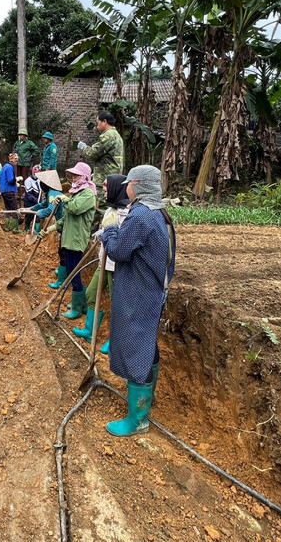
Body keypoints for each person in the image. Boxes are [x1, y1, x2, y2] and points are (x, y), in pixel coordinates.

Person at [99, 165, 176, 437]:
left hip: (138, 294)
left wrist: (108, 232)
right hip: (151, 291)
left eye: (130, 183)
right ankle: (146, 399)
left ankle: (138, 419)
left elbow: (119, 251)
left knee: (136, 349)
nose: (126, 187)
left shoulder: (141, 215)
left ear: (139, 185)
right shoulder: (160, 213)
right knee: (147, 345)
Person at [73, 174, 130, 348]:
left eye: (106, 188)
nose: (103, 192)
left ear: (116, 189)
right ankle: (90, 331)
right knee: (91, 294)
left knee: (117, 303)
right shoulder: (109, 210)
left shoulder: (126, 213)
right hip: (102, 263)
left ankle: (116, 341)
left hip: (115, 267)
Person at [39, 162, 96, 319]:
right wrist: (49, 229)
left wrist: (64, 198)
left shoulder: (88, 194)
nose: (73, 178)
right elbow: (65, 218)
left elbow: (74, 208)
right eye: (73, 175)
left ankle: (77, 308)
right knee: (72, 271)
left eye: (76, 175)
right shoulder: (77, 193)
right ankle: (81, 303)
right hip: (69, 238)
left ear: (84, 176)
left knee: (73, 273)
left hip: (76, 239)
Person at [77, 111, 124, 207]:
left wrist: (83, 147)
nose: (97, 126)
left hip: (104, 177)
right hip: (112, 175)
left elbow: (93, 154)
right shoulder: (116, 135)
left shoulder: (107, 135)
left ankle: (101, 222)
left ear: (104, 122)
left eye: (98, 123)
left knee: (101, 205)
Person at [0, 153, 21, 234]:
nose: (17, 162)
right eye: (16, 160)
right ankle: (15, 228)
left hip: (4, 190)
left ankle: (7, 227)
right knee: (14, 209)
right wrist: (16, 179)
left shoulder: (4, 166)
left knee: (8, 209)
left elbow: (0, 179)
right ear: (13, 160)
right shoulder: (10, 167)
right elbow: (10, 180)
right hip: (9, 191)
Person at [22, 164, 42, 230]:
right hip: (30, 201)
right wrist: (35, 200)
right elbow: (28, 194)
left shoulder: (40, 180)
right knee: (29, 216)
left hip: (38, 199)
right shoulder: (28, 180)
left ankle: (36, 231)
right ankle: (26, 228)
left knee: (38, 215)